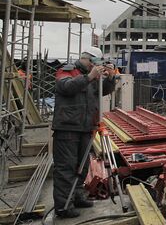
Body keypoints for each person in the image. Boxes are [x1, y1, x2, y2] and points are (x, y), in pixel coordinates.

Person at [52, 47, 116, 218]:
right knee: (66, 168)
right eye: (95, 63)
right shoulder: (67, 70)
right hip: (68, 127)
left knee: (82, 166)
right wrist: (89, 77)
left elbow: (104, 90)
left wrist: (110, 77)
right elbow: (66, 87)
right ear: (87, 59)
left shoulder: (91, 76)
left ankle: (77, 196)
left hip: (86, 127)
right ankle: (63, 206)